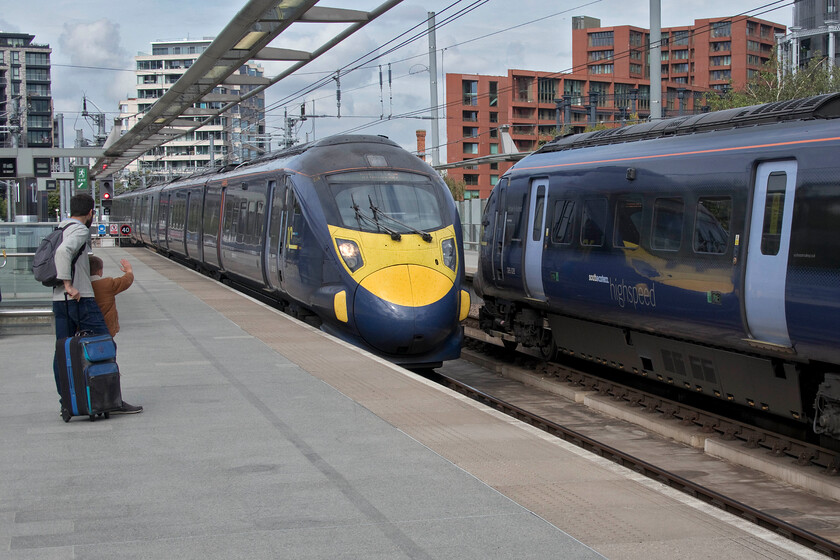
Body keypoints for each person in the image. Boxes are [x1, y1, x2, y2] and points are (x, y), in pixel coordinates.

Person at [52, 193, 142, 415]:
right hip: (80, 299)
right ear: (91, 213)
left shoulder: (60, 228)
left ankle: (68, 401)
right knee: (105, 344)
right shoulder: (81, 229)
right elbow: (63, 253)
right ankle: (110, 398)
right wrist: (69, 285)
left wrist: (63, 287)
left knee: (63, 352)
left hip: (59, 301)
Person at [89, 256, 134, 338]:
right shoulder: (107, 284)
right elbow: (126, 281)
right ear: (100, 271)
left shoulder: (80, 286)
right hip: (106, 328)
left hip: (85, 329)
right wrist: (129, 271)